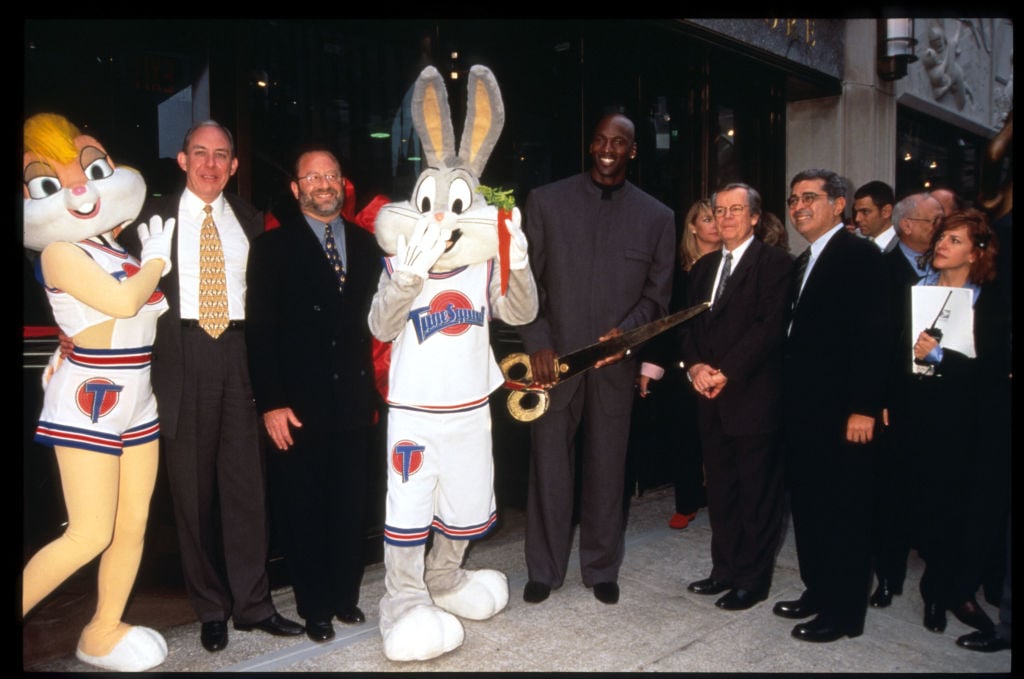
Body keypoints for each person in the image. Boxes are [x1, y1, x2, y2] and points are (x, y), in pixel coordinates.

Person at [119, 120, 303, 652]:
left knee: (248, 490)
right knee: (192, 495)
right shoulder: (149, 222)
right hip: (182, 357)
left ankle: (252, 604)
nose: (210, 164)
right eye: (199, 153)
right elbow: (115, 286)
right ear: (181, 160)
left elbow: (269, 303)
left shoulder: (250, 220)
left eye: (221, 155)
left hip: (241, 356)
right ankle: (211, 607)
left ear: (234, 165)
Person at [517, 112, 675, 605]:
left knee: (609, 467)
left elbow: (657, 297)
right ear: (591, 146)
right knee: (548, 466)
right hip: (553, 363)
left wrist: (625, 336)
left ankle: (601, 567)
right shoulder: (546, 202)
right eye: (602, 140)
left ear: (632, 151)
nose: (609, 148)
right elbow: (526, 285)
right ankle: (543, 570)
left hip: (614, 363)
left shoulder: (658, 217)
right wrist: (538, 342)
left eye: (620, 142)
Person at [244, 147, 380, 642]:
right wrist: (271, 403)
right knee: (305, 508)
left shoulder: (367, 246)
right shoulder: (271, 249)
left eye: (332, 175)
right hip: (297, 407)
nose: (324, 183)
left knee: (350, 505)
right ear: (296, 188)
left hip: (354, 403)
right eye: (313, 176)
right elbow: (259, 333)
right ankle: (315, 606)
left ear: (343, 185)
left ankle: (345, 597)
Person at [775, 168, 889, 643]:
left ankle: (844, 614)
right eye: (794, 198)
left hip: (845, 415)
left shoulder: (858, 255)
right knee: (811, 508)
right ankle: (818, 590)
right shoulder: (806, 260)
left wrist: (864, 406)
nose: (798, 206)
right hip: (805, 413)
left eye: (810, 198)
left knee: (843, 513)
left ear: (838, 205)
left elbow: (876, 335)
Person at [677, 183, 792, 611]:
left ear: (755, 217)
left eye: (736, 210)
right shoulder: (705, 268)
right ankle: (723, 569)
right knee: (722, 492)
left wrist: (727, 371)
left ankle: (752, 579)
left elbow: (768, 327)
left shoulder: (775, 264)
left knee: (756, 495)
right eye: (719, 210)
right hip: (710, 397)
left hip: (753, 398)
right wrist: (695, 368)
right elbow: (686, 326)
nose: (725, 218)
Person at [906, 209, 1011, 637]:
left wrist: (940, 356)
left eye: (954, 240)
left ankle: (960, 592)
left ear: (976, 252)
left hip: (978, 418)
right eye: (942, 238)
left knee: (975, 509)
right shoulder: (916, 291)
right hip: (927, 414)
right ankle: (935, 592)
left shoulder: (993, 297)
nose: (942, 245)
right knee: (934, 506)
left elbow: (993, 367)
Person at [867, 191, 944, 610]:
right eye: (933, 221)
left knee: (936, 492)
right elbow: (874, 341)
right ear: (907, 226)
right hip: (897, 400)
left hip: (944, 398)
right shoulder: (882, 269)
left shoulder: (956, 271)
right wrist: (876, 397)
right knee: (892, 493)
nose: (940, 229)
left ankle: (938, 586)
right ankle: (888, 576)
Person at [635, 198, 716, 530]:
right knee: (685, 436)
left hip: (724, 366)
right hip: (682, 366)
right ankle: (687, 501)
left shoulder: (734, 264)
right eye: (707, 218)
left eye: (719, 217)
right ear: (693, 227)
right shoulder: (679, 273)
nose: (715, 223)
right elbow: (665, 323)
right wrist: (651, 367)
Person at [853, 181, 897, 252]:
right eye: (856, 212)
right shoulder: (857, 247)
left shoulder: (907, 247)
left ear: (886, 212)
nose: (857, 219)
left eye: (865, 212)